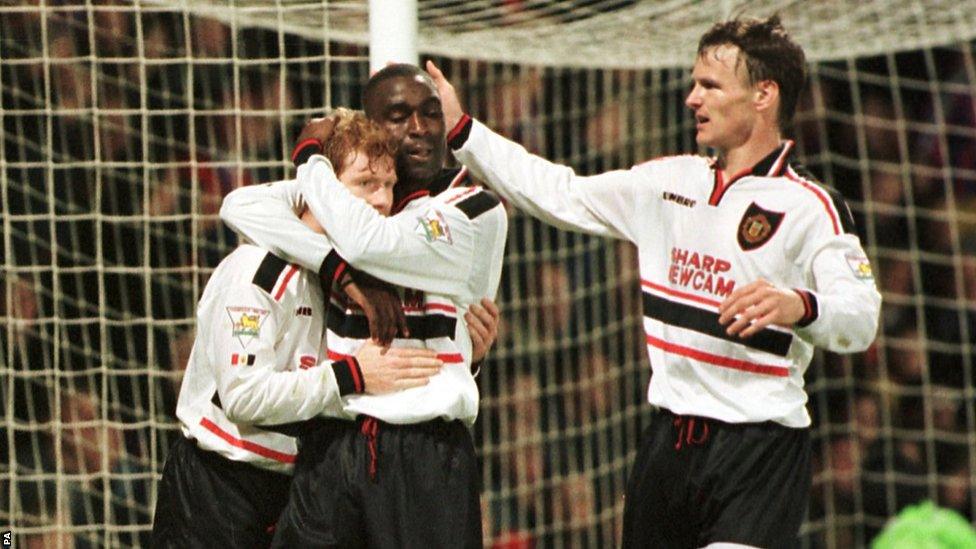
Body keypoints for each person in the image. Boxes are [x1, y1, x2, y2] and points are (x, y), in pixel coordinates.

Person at [428, 15, 882, 549]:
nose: (693, 98)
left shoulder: (812, 208)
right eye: (694, 84)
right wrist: (465, 134)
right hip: (668, 444)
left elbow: (862, 318)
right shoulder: (671, 182)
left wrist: (800, 305)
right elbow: (560, 192)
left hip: (759, 449)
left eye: (710, 86)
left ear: (764, 95)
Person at [218, 65, 507, 547]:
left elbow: (372, 241)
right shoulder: (352, 196)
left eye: (431, 113)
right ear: (374, 129)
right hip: (337, 443)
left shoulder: (474, 209)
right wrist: (339, 272)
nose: (418, 128)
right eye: (398, 116)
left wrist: (310, 157)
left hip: (424, 456)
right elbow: (240, 206)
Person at [150, 110, 448, 547]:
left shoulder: (363, 282)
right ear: (322, 189)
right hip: (219, 488)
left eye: (388, 186)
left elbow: (398, 375)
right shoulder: (255, 271)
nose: (383, 201)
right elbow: (244, 395)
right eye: (366, 183)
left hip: (302, 488)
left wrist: (471, 355)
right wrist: (352, 375)